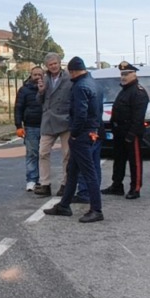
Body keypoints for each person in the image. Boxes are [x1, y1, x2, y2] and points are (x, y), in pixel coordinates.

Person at [43, 57, 105, 223]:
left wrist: (75, 133)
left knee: (88, 172)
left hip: (82, 135)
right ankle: (64, 205)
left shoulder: (79, 86)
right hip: (93, 131)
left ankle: (96, 209)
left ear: (72, 71)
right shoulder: (94, 83)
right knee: (72, 170)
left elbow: (80, 113)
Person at [103, 62, 150, 199]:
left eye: (126, 74)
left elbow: (138, 117)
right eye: (122, 74)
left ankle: (135, 188)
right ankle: (117, 185)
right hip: (119, 131)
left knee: (134, 161)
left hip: (131, 132)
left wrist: (131, 134)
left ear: (134, 74)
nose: (123, 77)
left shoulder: (138, 92)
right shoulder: (124, 90)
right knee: (119, 160)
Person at [36, 52, 73, 197]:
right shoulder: (44, 79)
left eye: (55, 63)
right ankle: (45, 184)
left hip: (65, 121)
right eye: (50, 65)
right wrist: (40, 91)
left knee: (67, 155)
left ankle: (65, 184)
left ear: (59, 63)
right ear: (47, 66)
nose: (53, 66)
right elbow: (39, 101)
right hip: (48, 121)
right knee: (43, 152)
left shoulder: (69, 79)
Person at [14, 66, 46, 192]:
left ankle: (44, 181)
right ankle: (32, 180)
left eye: (40, 74)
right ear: (31, 76)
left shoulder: (48, 89)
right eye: (35, 74)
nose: (37, 77)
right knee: (32, 154)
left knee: (44, 155)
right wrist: (18, 126)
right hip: (30, 126)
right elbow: (18, 108)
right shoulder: (24, 90)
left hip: (47, 127)